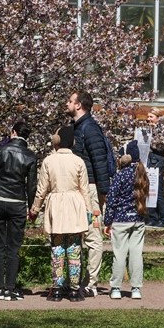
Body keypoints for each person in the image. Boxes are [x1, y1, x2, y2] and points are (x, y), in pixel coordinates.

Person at [29, 126, 91, 302]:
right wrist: (88, 211)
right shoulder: (79, 161)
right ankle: (73, 290)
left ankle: (56, 289)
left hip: (56, 204)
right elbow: (84, 189)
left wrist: (34, 209)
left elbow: (42, 189)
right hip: (74, 204)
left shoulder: (49, 161)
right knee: (73, 248)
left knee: (57, 248)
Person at [0, 121, 38, 301]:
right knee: (13, 246)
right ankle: (10, 287)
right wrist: (31, 208)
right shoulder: (30, 156)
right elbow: (31, 186)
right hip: (17, 202)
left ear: (13, 132)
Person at [67, 90, 110, 297]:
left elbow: (99, 161)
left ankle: (91, 282)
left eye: (70, 100)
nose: (67, 103)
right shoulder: (78, 128)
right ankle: (77, 279)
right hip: (79, 188)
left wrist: (102, 193)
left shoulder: (90, 129)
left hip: (90, 189)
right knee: (78, 235)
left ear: (78, 105)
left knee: (93, 236)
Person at [103, 145, 149, 300]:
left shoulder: (120, 175)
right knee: (136, 254)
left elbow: (111, 200)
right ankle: (136, 288)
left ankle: (116, 288)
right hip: (138, 219)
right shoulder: (142, 175)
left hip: (120, 219)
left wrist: (107, 221)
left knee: (119, 254)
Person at [141, 108, 164, 228]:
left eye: (151, 116)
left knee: (157, 190)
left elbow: (160, 146)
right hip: (149, 160)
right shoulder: (148, 130)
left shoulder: (162, 131)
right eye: (148, 116)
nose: (148, 119)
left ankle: (161, 218)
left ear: (158, 118)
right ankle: (151, 216)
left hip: (156, 161)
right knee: (149, 189)